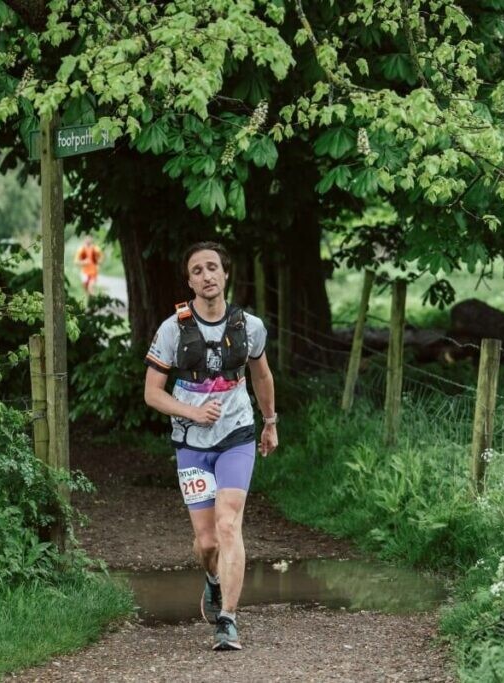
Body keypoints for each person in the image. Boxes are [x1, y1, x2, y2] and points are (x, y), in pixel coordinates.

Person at [143, 241, 278, 651]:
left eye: (212, 267)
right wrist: (192, 412)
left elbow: (262, 377)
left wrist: (270, 423)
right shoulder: (173, 329)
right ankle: (213, 577)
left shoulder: (249, 326)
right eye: (197, 271)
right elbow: (152, 393)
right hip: (191, 443)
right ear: (190, 282)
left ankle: (228, 620)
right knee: (207, 542)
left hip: (237, 435)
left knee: (229, 524)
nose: (206, 276)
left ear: (225, 273)